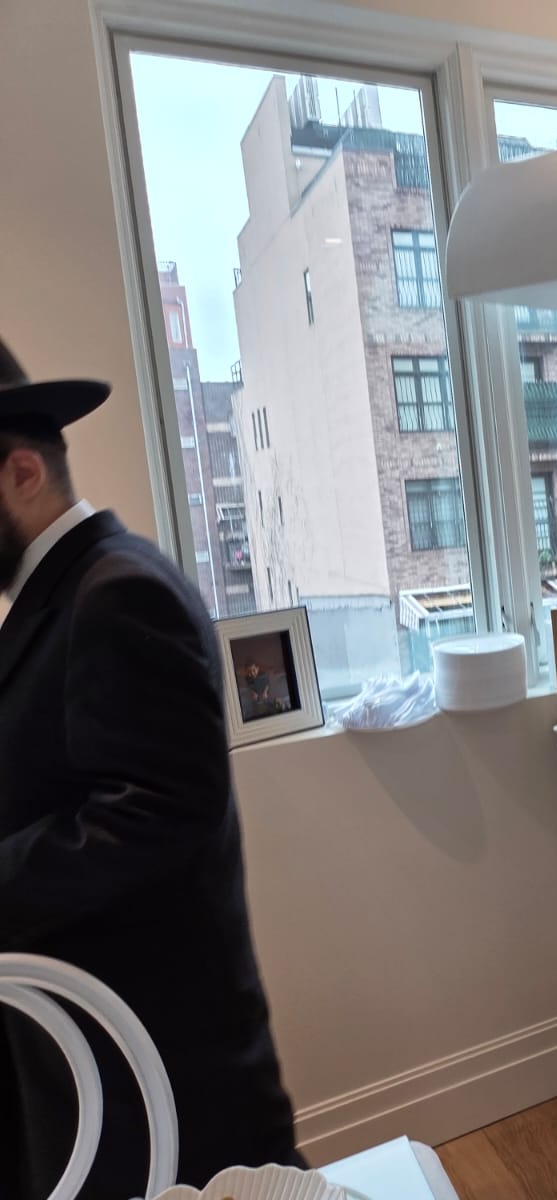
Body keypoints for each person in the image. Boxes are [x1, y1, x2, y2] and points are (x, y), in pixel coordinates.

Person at [0, 339, 301, 1197]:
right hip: (100, 1058)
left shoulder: (116, 592)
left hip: (158, 1072)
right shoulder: (73, 592)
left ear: (22, 472)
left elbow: (154, 815)